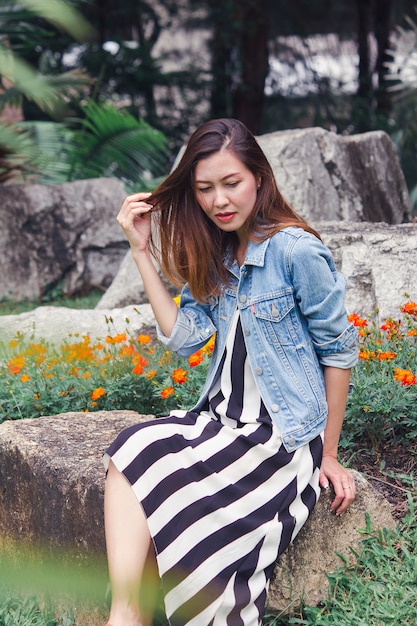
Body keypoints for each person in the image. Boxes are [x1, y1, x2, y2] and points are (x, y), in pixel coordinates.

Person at [103, 118, 358, 626]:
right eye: (204, 189)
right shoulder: (217, 253)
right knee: (131, 447)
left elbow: (339, 350)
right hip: (223, 419)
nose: (219, 200)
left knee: (180, 503)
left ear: (259, 179)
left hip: (280, 437)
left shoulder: (295, 250)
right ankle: (125, 611)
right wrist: (140, 250)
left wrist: (328, 452)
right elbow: (182, 338)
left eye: (231, 183)